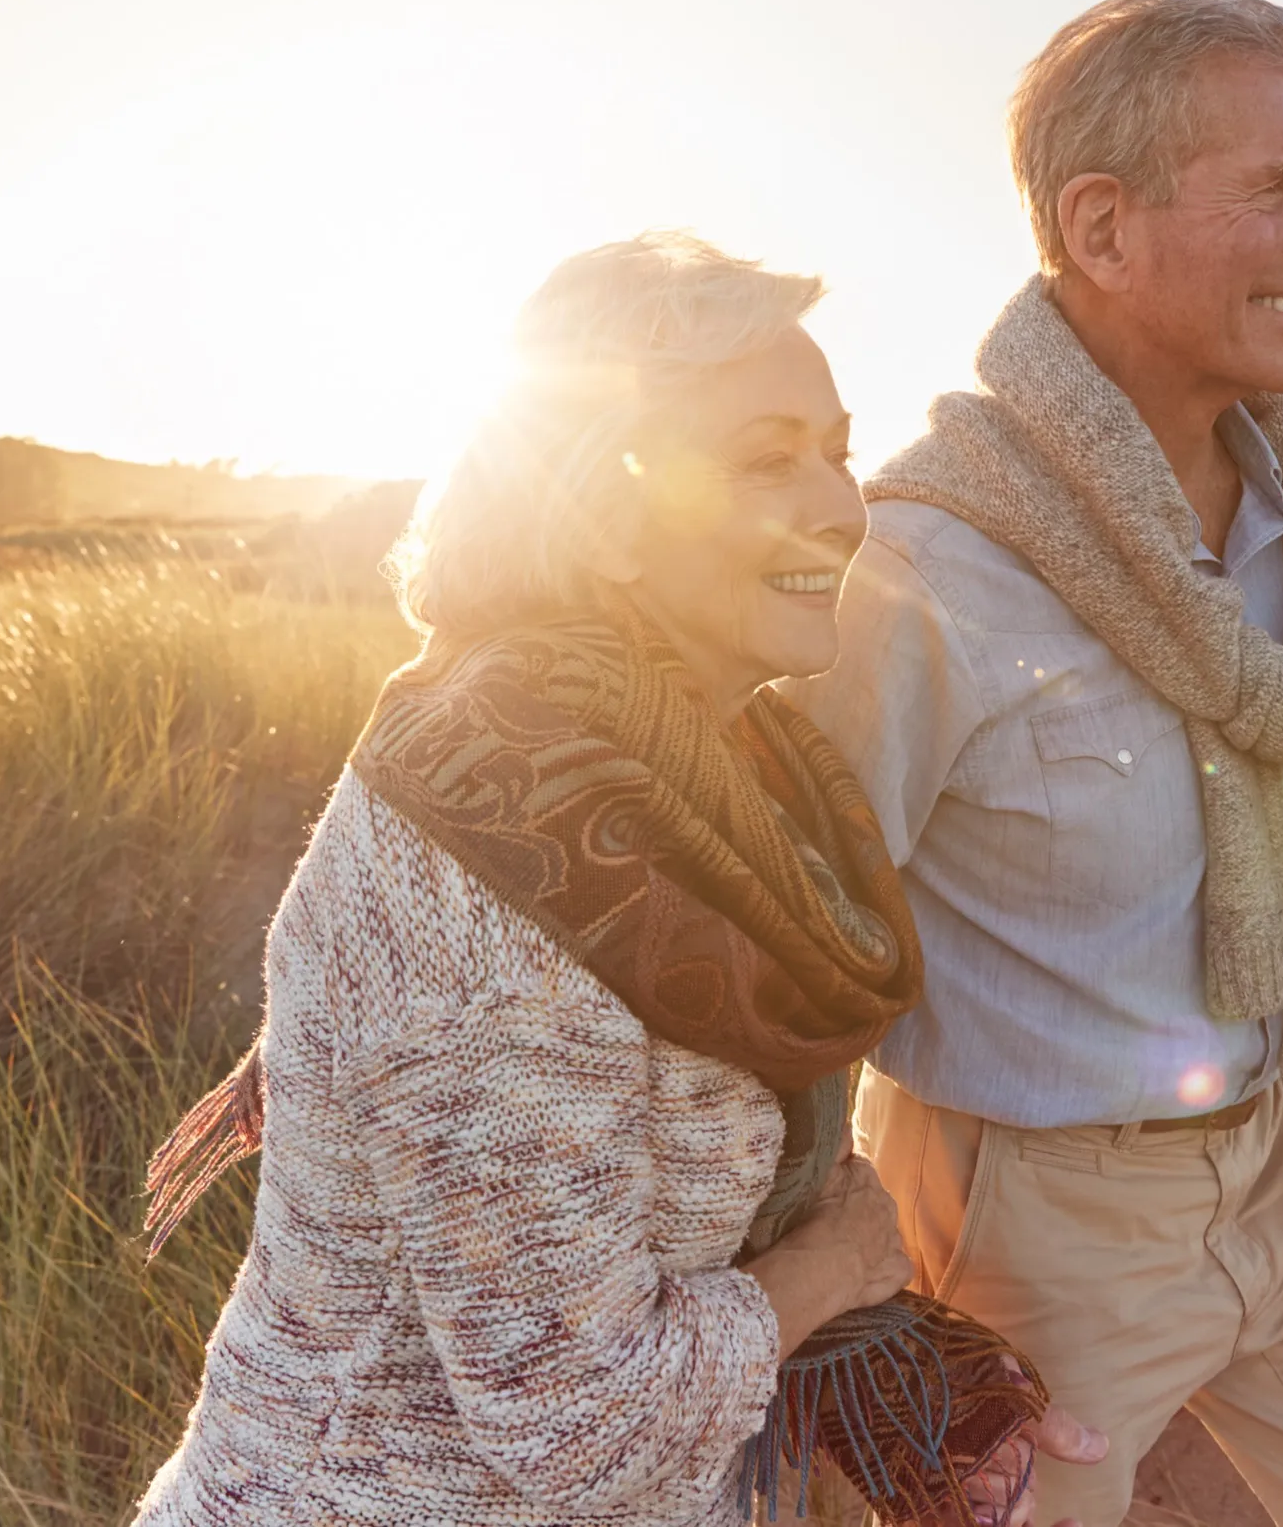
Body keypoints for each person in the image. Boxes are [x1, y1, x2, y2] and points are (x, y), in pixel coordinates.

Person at [130, 233, 1097, 1527]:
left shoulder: (716, 779)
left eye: (836, 450)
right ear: (601, 516)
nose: (840, 507)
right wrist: (834, 1266)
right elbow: (577, 1423)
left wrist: (901, 1361)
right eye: (768, 459)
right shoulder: (495, 851)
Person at [786, 0, 1283, 1526]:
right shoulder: (924, 567)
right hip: (1032, 1238)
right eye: (1274, 188)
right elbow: (783, 963)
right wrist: (847, 1285)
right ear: (1102, 226)